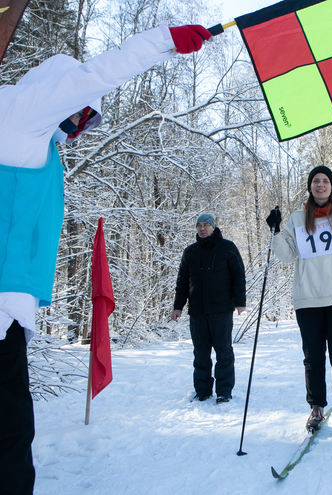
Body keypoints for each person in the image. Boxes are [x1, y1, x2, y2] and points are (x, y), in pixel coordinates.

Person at [0, 23, 213, 494]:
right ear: (55, 94)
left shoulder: (27, 135)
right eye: (79, 117)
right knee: (10, 432)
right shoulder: (19, 110)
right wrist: (164, 41)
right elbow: (95, 74)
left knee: (12, 425)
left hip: (9, 308)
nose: (78, 130)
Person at [266, 166, 332, 434]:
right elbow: (286, 256)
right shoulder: (298, 219)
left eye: (325, 181)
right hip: (308, 298)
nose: (320, 185)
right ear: (310, 186)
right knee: (313, 358)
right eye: (316, 181)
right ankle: (317, 407)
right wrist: (275, 230)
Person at [171, 215, 246, 403]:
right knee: (201, 352)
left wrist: (240, 301)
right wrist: (178, 307)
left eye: (206, 225)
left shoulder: (227, 248)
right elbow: (182, 282)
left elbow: (238, 275)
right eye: (199, 226)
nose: (202, 229)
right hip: (197, 311)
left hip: (221, 310)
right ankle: (203, 391)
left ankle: (224, 391)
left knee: (224, 351)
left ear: (213, 227)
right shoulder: (190, 252)